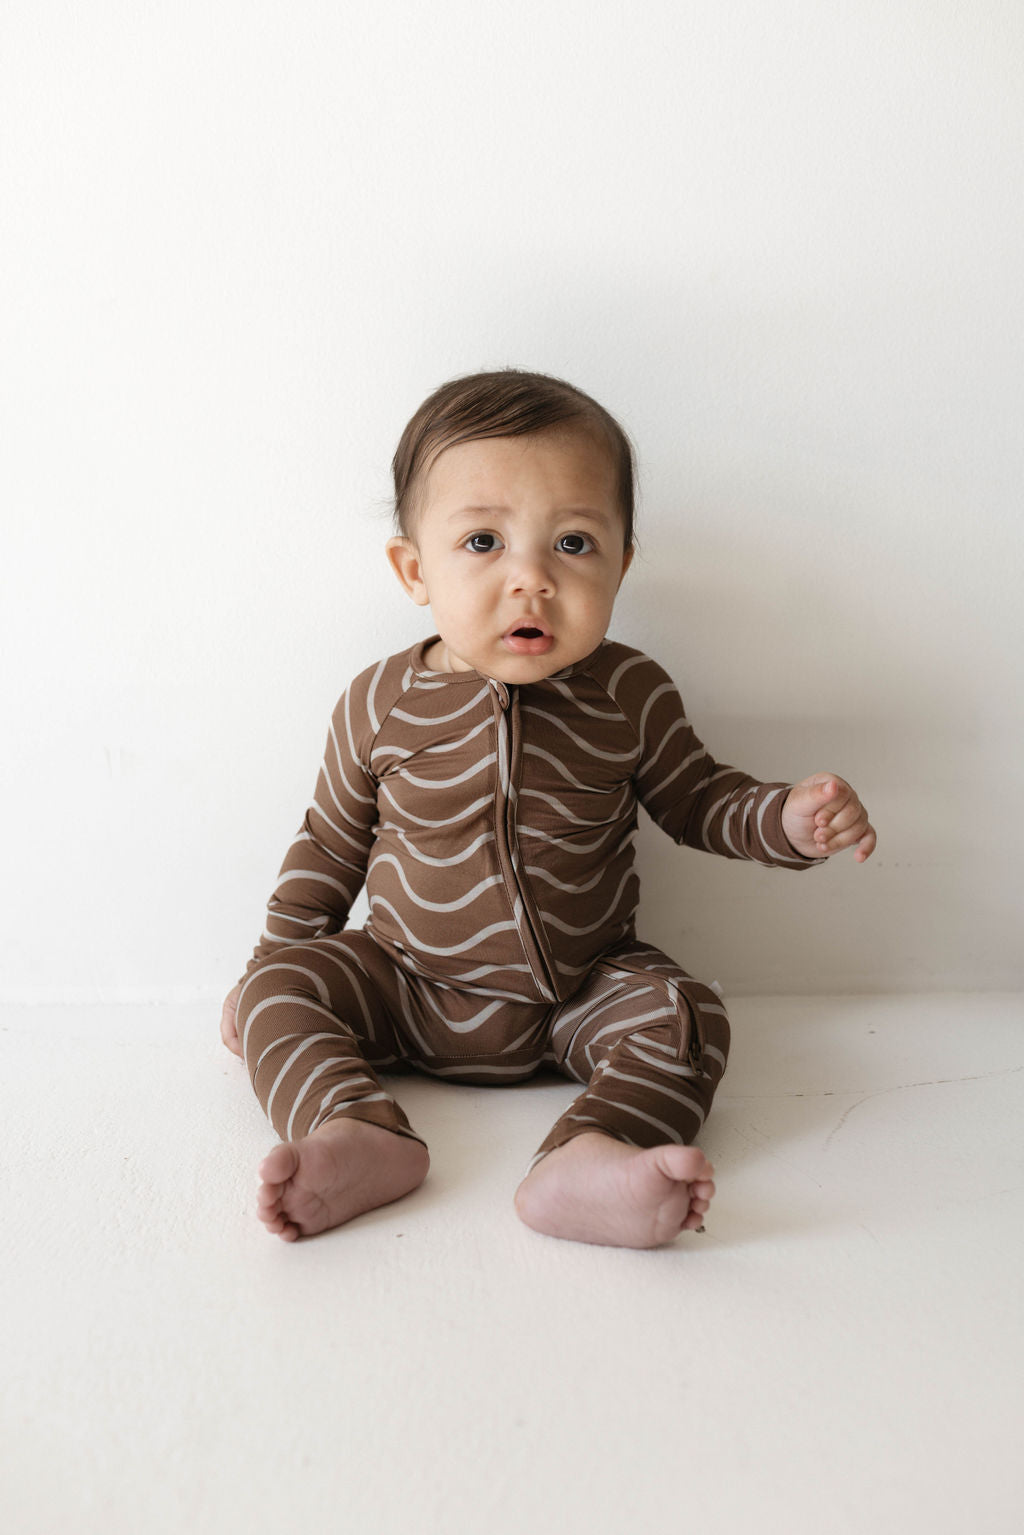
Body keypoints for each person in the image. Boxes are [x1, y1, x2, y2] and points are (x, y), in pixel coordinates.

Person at [220, 368, 875, 1249]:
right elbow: (329, 848)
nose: (530, 579)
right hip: (405, 982)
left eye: (571, 544)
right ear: (415, 569)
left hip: (581, 989)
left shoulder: (630, 692)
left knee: (686, 1013)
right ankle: (355, 1130)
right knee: (276, 988)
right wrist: (274, 960)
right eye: (484, 541)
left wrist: (787, 821)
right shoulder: (377, 703)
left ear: (621, 564)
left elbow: (697, 798)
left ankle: (591, 1155)